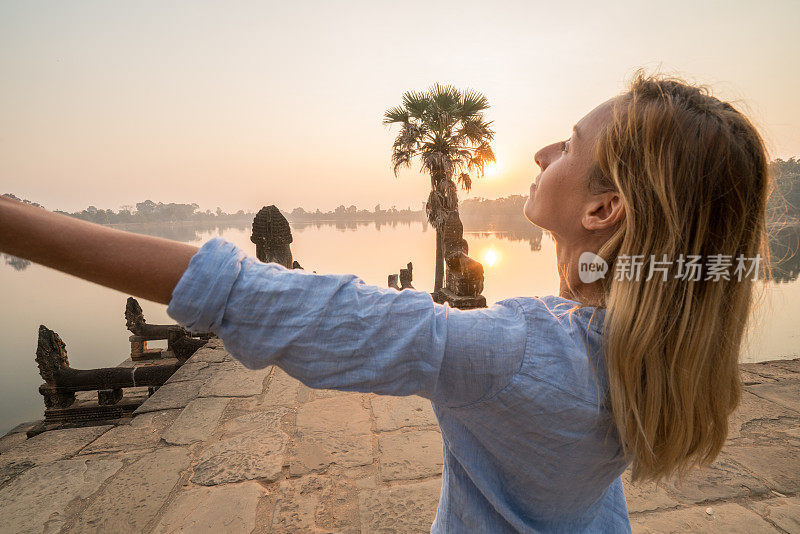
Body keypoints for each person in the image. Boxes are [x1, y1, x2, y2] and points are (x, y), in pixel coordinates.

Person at [0, 71, 771, 533]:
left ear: (604, 211)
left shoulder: (515, 351)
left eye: (569, 145)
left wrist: (17, 223)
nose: (542, 154)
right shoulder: (653, 352)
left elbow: (262, 299)